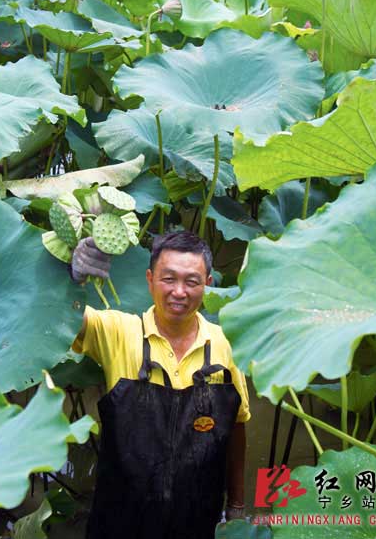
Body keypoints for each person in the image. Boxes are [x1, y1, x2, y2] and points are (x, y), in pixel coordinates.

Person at [70, 230, 251, 539]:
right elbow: (58, 317)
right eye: (168, 279)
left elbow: (237, 427)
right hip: (120, 518)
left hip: (198, 517)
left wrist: (235, 505)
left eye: (191, 282)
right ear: (150, 279)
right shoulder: (117, 331)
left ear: (207, 284)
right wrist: (70, 278)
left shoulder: (225, 344)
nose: (179, 292)